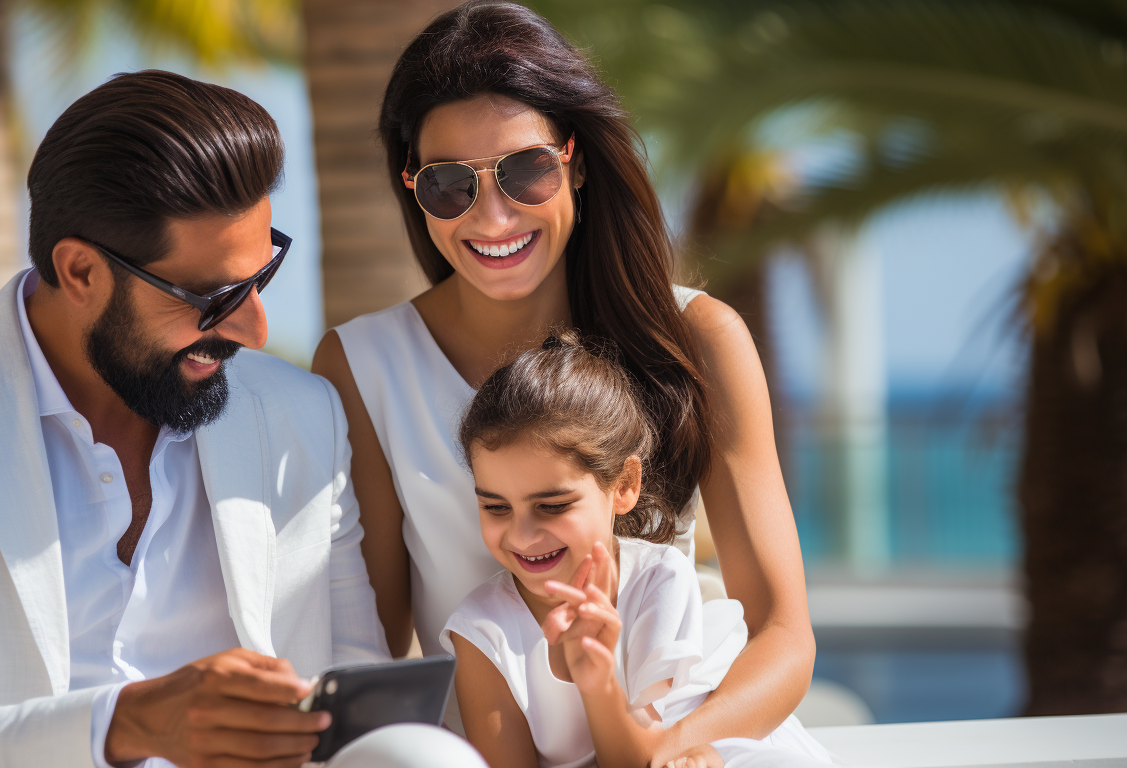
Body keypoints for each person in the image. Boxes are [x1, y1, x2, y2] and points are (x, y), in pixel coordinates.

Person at [0, 70, 481, 768]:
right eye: (212, 299)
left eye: (260, 278)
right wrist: (130, 724)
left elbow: (354, 701)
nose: (255, 330)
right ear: (81, 272)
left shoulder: (301, 415)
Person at [311, 1, 816, 756]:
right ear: (412, 188)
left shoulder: (699, 339)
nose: (492, 216)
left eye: (524, 170)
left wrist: (671, 749)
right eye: (451, 185)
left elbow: (783, 634)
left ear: (574, 159)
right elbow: (373, 644)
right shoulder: (361, 365)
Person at [442, 332, 833, 768]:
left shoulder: (657, 581)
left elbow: (642, 760)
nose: (522, 535)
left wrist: (599, 684)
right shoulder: (481, 631)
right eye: (495, 507)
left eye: (551, 506)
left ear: (625, 485)